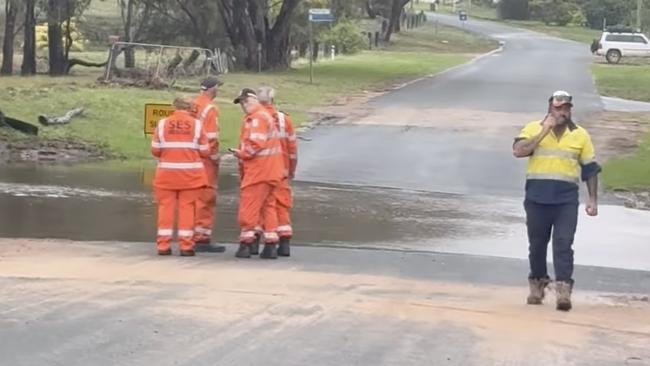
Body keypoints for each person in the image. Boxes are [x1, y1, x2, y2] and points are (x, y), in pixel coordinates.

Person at [513, 90, 601, 311]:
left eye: (567, 108)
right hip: (536, 199)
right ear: (550, 109)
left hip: (565, 201)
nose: (563, 112)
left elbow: (590, 169)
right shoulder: (533, 128)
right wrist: (544, 131)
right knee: (537, 245)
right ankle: (538, 283)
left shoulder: (580, 134)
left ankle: (563, 290)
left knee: (563, 243)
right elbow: (518, 151)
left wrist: (592, 199)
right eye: (558, 108)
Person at [151, 96, 210, 256]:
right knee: (188, 209)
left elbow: (155, 150)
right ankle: (186, 246)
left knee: (165, 210)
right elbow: (205, 151)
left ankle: (163, 246)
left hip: (166, 176)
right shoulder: (197, 125)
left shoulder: (162, 124)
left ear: (174, 106)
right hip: (191, 176)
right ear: (190, 107)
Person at [231, 88, 284, 259]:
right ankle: (270, 245)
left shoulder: (256, 119)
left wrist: (240, 153)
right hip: (272, 171)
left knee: (248, 209)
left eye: (245, 102)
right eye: (241, 103)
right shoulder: (264, 116)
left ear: (253, 100)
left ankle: (246, 244)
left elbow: (255, 144)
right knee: (268, 207)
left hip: (258, 172)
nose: (243, 106)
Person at [257, 86, 298, 257]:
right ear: (273, 100)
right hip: (281, 170)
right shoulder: (284, 120)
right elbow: (292, 149)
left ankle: (260, 241)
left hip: (260, 171)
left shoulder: (254, 119)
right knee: (281, 205)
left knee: (262, 206)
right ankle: (284, 243)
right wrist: (291, 169)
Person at [191, 76, 225, 253]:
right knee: (206, 197)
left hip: (190, 158)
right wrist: (215, 156)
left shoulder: (193, 104)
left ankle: (188, 234)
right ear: (212, 89)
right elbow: (211, 137)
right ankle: (202, 238)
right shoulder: (210, 109)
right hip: (205, 159)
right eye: (218, 87)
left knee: (192, 198)